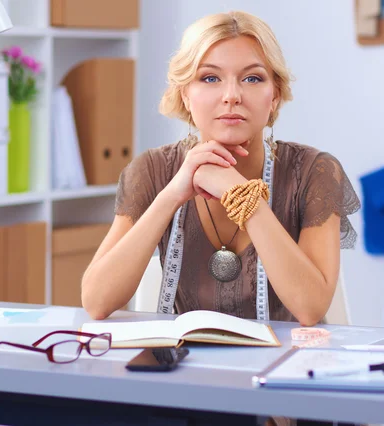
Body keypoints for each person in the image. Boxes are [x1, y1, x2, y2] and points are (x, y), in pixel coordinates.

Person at [81, 10, 360, 425]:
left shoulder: (314, 171)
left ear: (275, 96)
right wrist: (173, 194)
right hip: (187, 398)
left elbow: (309, 306)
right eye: (210, 78)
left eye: (252, 78)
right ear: (185, 96)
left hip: (287, 400)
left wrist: (240, 195)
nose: (232, 95)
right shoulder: (153, 171)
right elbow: (97, 301)